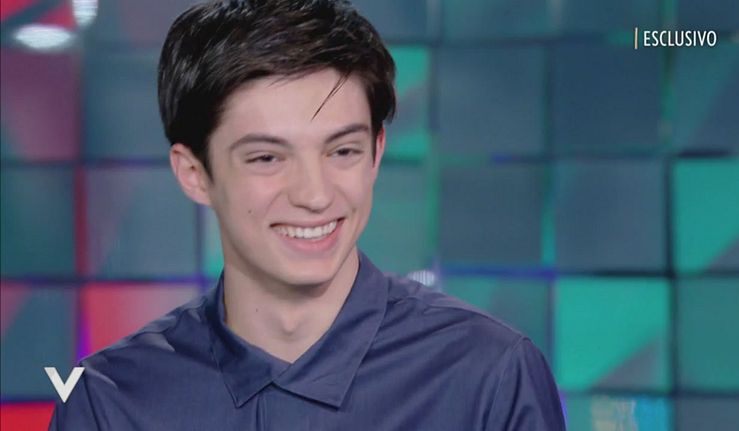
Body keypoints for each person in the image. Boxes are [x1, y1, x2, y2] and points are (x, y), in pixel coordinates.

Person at [49, 0, 566, 429]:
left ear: (377, 153)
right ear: (194, 173)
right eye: (267, 158)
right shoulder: (111, 402)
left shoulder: (489, 377)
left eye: (342, 151)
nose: (315, 195)